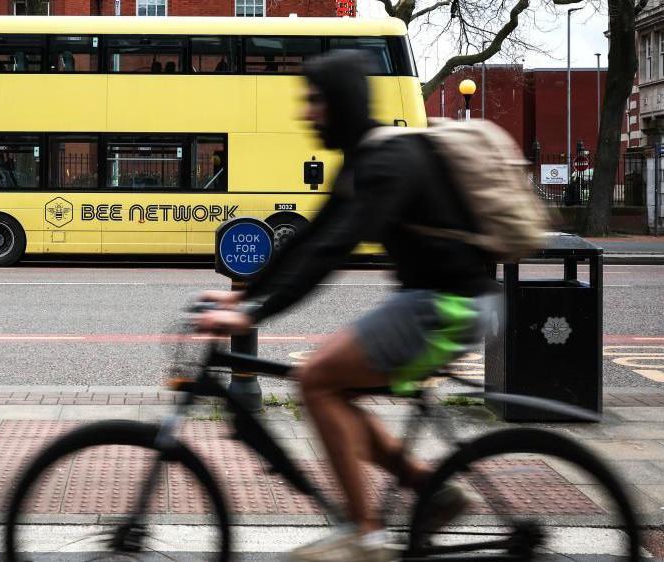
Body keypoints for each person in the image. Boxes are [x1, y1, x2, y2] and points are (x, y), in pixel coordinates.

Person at [193, 53, 499, 562]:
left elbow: (334, 250)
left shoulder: (385, 162)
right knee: (336, 386)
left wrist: (251, 317)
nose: (306, 113)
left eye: (313, 101)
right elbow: (308, 238)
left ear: (338, 103)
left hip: (452, 307)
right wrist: (242, 294)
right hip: (434, 300)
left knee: (317, 378)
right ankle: (432, 490)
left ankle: (365, 535)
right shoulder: (365, 158)